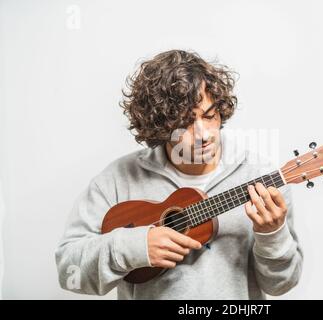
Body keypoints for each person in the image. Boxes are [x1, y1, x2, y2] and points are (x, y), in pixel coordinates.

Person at [55, 49, 303, 299]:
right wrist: (135, 247)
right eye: (185, 123)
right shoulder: (119, 178)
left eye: (209, 116)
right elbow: (69, 272)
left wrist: (272, 234)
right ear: (160, 125)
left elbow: (281, 285)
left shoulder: (261, 179)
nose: (203, 134)